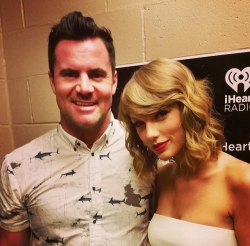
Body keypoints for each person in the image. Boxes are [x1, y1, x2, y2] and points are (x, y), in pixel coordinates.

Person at [0, 11, 152, 245]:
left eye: (96, 74)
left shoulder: (150, 151)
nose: (84, 87)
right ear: (52, 82)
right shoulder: (17, 168)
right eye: (70, 74)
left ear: (113, 81)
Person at [118, 58, 250, 246]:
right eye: (139, 123)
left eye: (160, 114)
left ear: (187, 108)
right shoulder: (163, 177)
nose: (150, 134)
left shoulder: (241, 179)